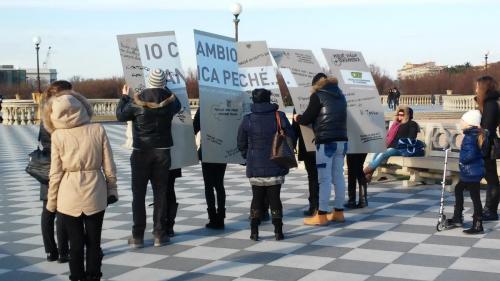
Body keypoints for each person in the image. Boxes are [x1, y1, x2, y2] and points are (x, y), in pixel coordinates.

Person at [44, 90, 118, 281]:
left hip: (68, 196)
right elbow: (109, 164)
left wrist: (51, 203)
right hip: (96, 191)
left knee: (75, 245)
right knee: (94, 243)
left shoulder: (57, 135)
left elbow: (55, 173)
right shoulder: (97, 129)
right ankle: (94, 277)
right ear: (81, 107)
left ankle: (76, 277)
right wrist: (112, 189)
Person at [116, 68, 181, 247]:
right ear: (163, 83)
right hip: (162, 152)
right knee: (160, 194)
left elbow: (120, 115)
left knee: (138, 195)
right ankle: (159, 234)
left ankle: (137, 236)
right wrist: (165, 89)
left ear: (148, 80)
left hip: (141, 151)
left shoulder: (137, 100)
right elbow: (179, 105)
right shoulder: (171, 102)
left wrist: (124, 97)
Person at [238, 88, 295, 240]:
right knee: (275, 197)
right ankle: (278, 231)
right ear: (269, 99)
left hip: (255, 165)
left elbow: (241, 143)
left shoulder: (248, 119)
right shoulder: (279, 116)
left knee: (256, 198)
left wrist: (248, 156)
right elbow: (291, 137)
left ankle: (254, 231)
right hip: (276, 163)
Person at [294, 77, 348, 226]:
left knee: (324, 179)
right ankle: (339, 212)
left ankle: (322, 215)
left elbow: (307, 118)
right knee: (338, 177)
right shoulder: (341, 96)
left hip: (326, 142)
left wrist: (297, 117)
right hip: (342, 141)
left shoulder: (318, 95)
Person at [39, 81, 70, 263]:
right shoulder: (63, 115)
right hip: (61, 166)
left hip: (47, 168)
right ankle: (63, 251)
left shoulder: (45, 114)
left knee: (48, 210)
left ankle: (51, 251)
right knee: (63, 211)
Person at [446, 110, 485, 234]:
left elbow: (470, 154)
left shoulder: (470, 136)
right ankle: (458, 217)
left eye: (462, 121)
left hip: (471, 172)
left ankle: (478, 224)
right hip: (472, 171)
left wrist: (462, 159)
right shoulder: (475, 134)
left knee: (475, 197)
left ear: (469, 124)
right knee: (459, 189)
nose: (460, 123)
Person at [292, 73, 325, 216]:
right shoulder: (329, 100)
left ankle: (314, 205)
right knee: (322, 176)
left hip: (309, 145)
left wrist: (292, 143)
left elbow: (298, 123)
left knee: (312, 176)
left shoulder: (302, 102)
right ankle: (320, 204)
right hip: (323, 142)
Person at [364, 106, 419, 181]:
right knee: (378, 152)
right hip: (391, 147)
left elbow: (411, 138)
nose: (399, 116)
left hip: (401, 149)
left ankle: (364, 172)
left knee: (383, 154)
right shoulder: (396, 124)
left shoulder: (412, 124)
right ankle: (369, 175)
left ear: (408, 115)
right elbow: (389, 137)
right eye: (399, 114)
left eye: (402, 115)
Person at [194, 108, 227, 229]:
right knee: (219, 185)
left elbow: (194, 127)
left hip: (208, 149)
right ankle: (221, 218)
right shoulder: (225, 105)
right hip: (222, 149)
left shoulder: (203, 107)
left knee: (209, 186)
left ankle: (213, 218)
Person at [475, 75, 500, 221]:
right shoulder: (489, 102)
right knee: (491, 177)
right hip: (486, 143)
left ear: (483, 87)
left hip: (487, 145)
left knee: (491, 178)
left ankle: (491, 210)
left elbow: (487, 128)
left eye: (478, 86)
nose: (476, 89)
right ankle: (489, 208)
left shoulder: (491, 104)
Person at [165, 168, 181, 237]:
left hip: (159, 163)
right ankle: (169, 226)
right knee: (170, 189)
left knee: (160, 191)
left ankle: (162, 226)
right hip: (172, 163)